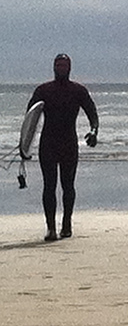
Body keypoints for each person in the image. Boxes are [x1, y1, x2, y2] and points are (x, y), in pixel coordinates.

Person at [25, 54, 99, 241]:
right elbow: (29, 119)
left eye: (64, 65)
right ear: (53, 67)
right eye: (58, 65)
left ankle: (66, 225)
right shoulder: (43, 90)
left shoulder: (78, 90)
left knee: (68, 185)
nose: (61, 68)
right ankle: (51, 228)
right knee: (49, 186)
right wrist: (24, 146)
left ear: (69, 67)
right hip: (48, 144)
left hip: (69, 144)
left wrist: (94, 131)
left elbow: (92, 113)